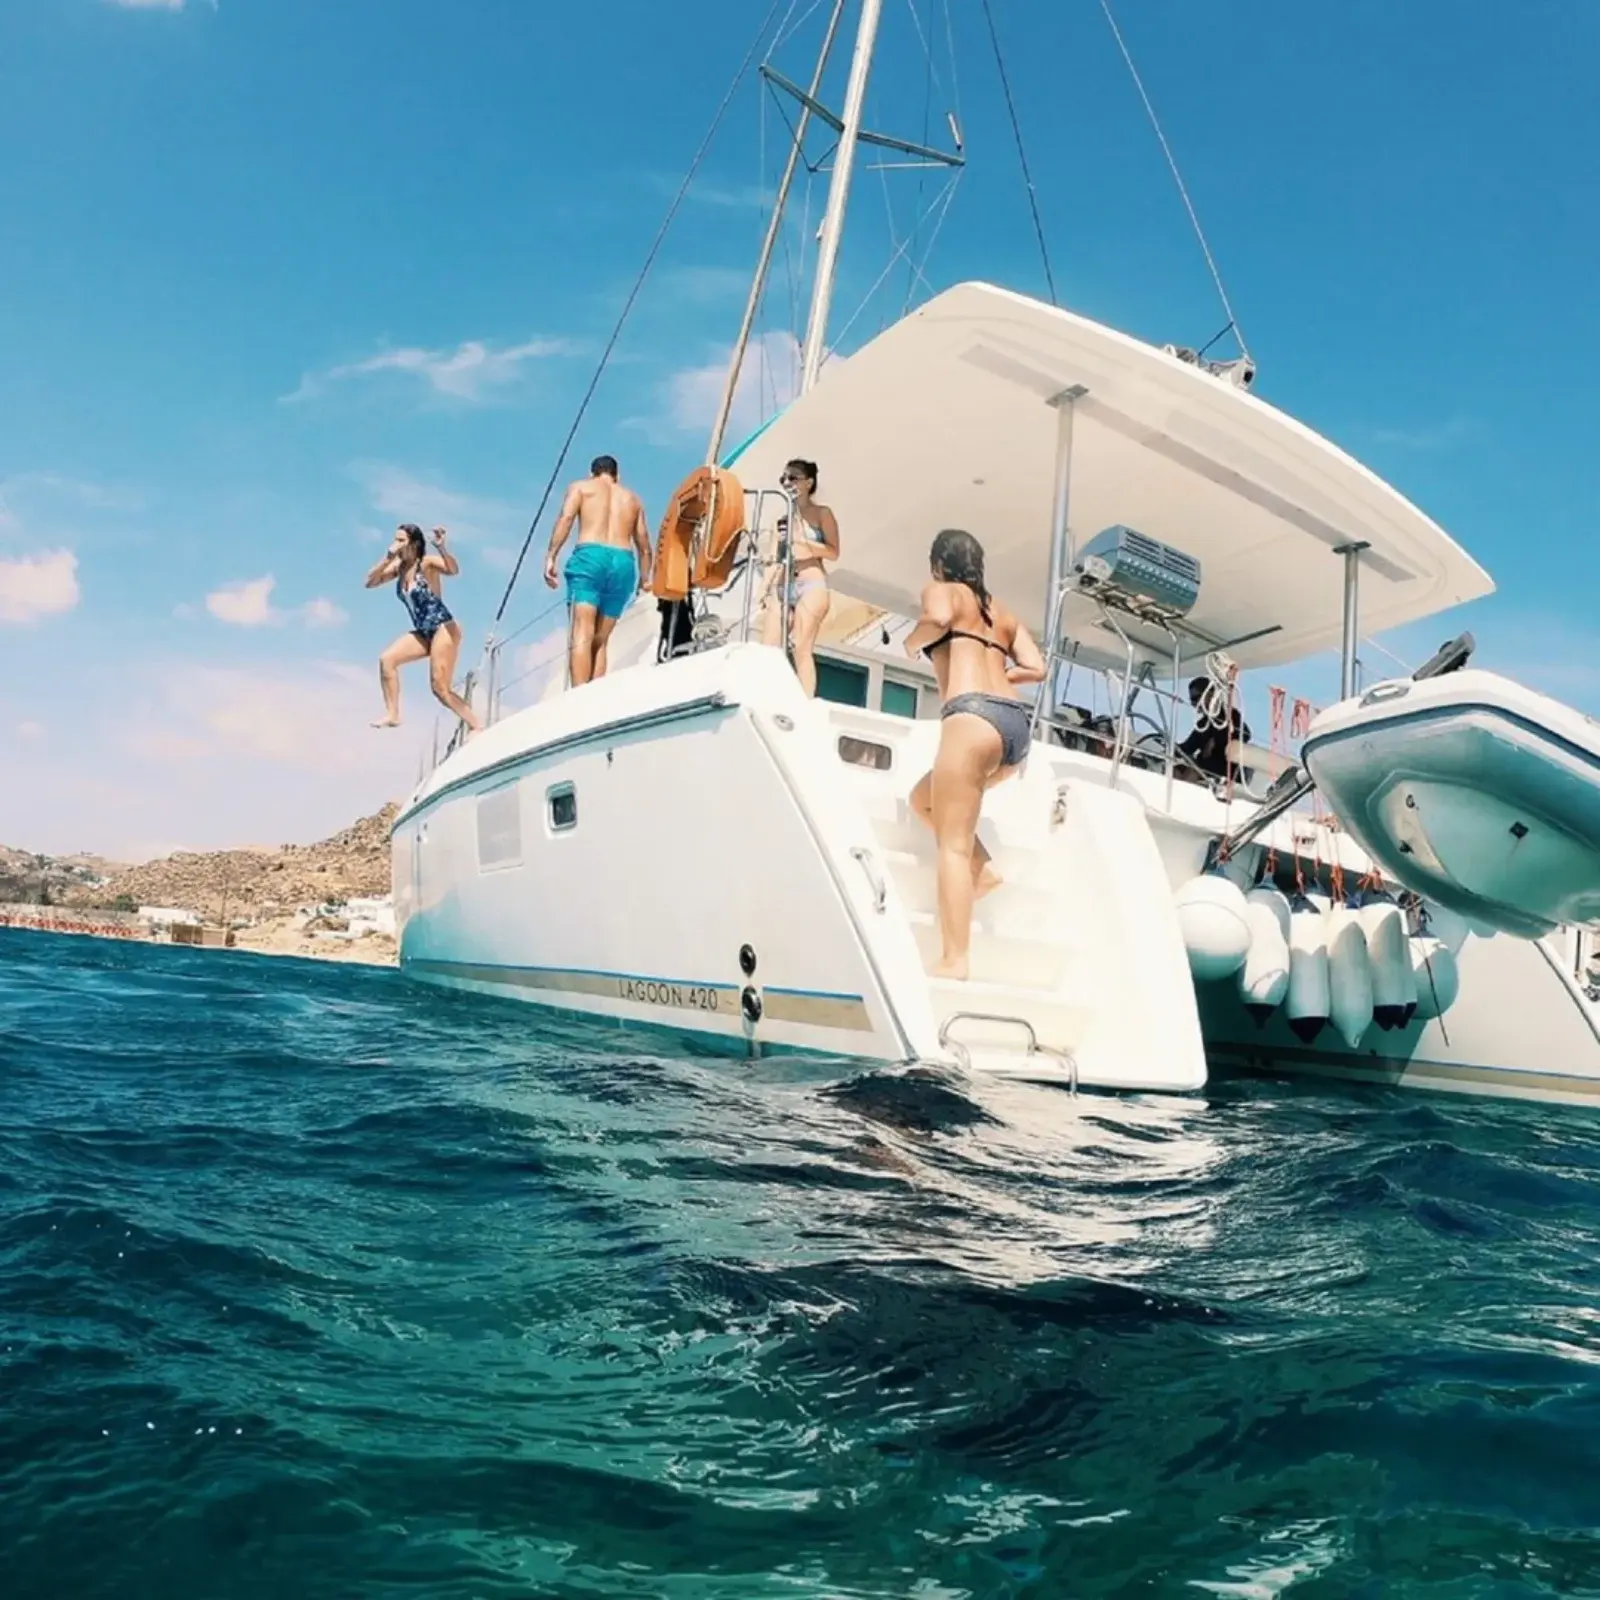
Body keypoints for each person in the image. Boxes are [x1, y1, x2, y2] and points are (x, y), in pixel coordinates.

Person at [903, 529, 1046, 980]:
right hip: (1013, 727)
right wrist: (1000, 675)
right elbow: (1037, 668)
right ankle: (980, 871)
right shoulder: (999, 611)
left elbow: (939, 615)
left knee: (952, 844)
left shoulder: (943, 591)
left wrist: (912, 641)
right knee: (921, 801)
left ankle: (955, 960)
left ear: (939, 564)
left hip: (970, 717)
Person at [544, 455, 652, 687]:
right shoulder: (633, 499)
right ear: (617, 476)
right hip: (624, 561)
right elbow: (644, 544)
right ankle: (594, 699)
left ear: (591, 473)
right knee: (601, 640)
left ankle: (577, 698)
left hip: (590, 557)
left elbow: (566, 518)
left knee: (582, 631)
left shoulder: (581, 488)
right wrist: (644, 578)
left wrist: (551, 556)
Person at [365, 524, 482, 734]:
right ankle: (393, 714)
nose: (396, 545)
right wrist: (386, 558)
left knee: (439, 688)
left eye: (401, 541)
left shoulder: (425, 564)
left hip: (443, 627)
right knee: (387, 660)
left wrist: (442, 548)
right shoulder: (399, 569)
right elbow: (370, 582)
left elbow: (453, 570)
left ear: (414, 543)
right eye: (395, 540)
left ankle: (476, 724)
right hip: (423, 632)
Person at [760, 458, 839, 696]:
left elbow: (834, 551)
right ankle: (768, 695)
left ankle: (805, 701)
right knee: (768, 648)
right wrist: (763, 587)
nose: (787, 482)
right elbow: (774, 557)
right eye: (783, 478)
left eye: (793, 477)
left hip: (811, 582)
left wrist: (807, 546)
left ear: (808, 483)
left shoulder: (821, 513)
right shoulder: (781, 520)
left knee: (801, 647)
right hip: (784, 583)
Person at [1177, 675, 1251, 782]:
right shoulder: (1202, 724)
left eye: (1195, 698)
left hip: (1224, 768)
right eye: (1191, 700)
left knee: (1194, 771)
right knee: (1175, 770)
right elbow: (1187, 747)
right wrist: (1169, 746)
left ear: (1210, 694)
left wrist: (1216, 740)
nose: (1193, 704)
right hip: (1204, 766)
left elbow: (1245, 735)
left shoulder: (1231, 715)